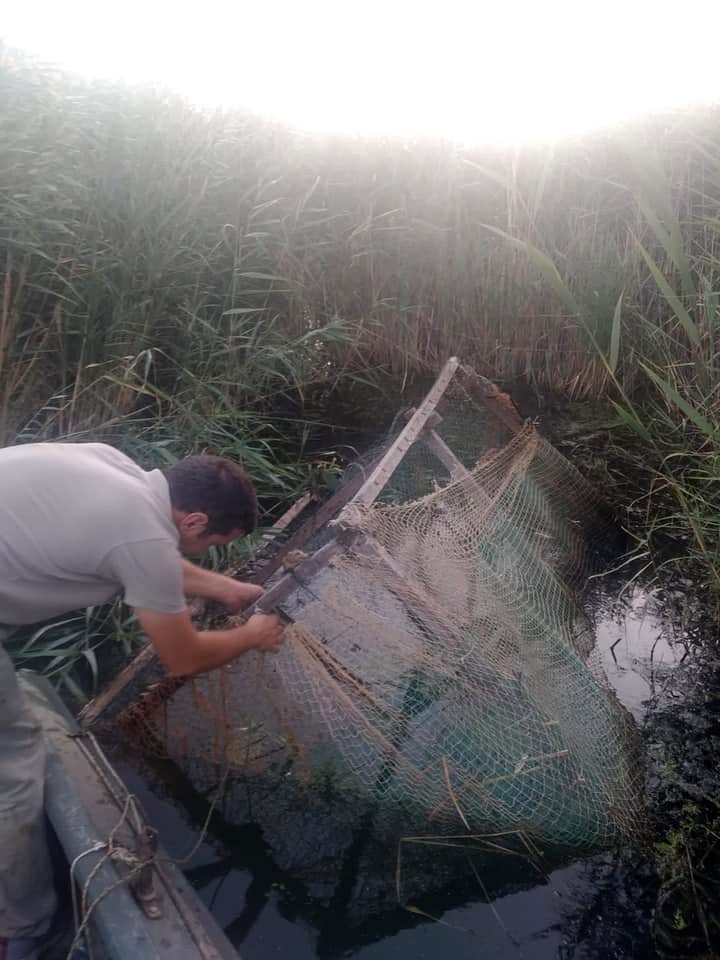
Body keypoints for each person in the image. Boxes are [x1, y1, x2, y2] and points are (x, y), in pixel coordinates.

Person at [0, 441, 284, 960]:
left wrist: (226, 589)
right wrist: (252, 636)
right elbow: (182, 656)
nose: (200, 554)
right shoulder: (144, 533)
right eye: (211, 544)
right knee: (13, 767)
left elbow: (144, 554)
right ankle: (31, 929)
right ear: (194, 519)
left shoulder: (115, 468)